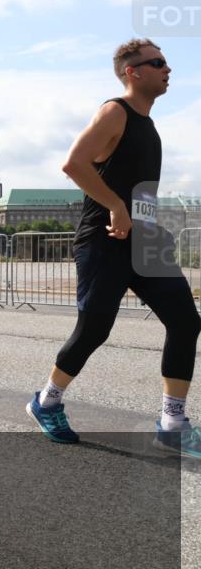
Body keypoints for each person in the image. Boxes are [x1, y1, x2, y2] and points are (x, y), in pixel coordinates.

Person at [27, 39, 200, 458]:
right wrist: (116, 206)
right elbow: (74, 163)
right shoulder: (115, 112)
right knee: (94, 329)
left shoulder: (149, 124)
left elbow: (137, 188)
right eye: (157, 62)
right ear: (132, 72)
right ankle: (47, 402)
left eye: (166, 61)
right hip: (104, 240)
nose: (167, 68)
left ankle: (172, 424)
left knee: (185, 321)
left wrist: (149, 223)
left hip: (145, 240)